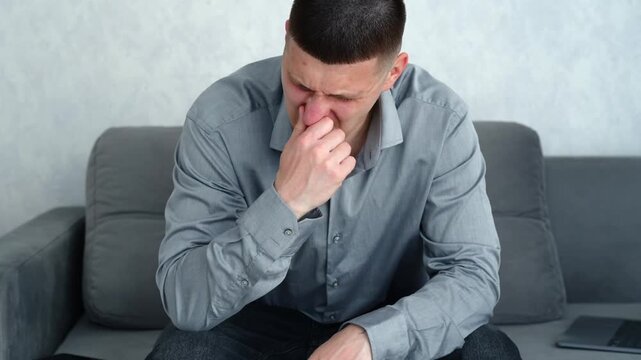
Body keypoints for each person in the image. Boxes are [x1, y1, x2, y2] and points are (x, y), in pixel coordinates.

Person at [147, 0, 521, 359]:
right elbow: (187, 303)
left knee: (489, 350)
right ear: (287, 35)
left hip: (388, 319)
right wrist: (286, 203)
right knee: (183, 350)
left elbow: (473, 277)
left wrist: (373, 340)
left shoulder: (441, 121)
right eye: (300, 85)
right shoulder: (219, 119)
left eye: (342, 97)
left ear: (393, 73)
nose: (313, 115)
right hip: (253, 324)